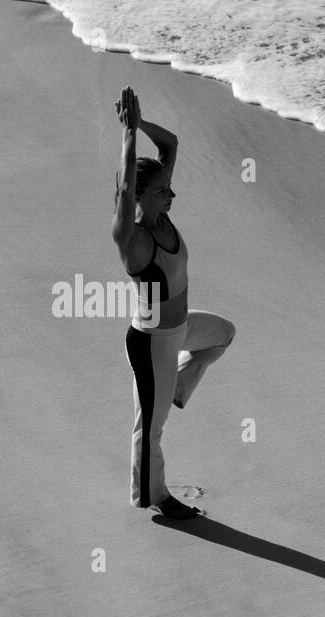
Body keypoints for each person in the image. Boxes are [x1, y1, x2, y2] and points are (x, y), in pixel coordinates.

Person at [112, 86, 235, 519]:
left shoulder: (162, 218)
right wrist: (128, 134)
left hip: (180, 329)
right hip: (152, 343)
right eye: (163, 189)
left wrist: (141, 121)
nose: (172, 194)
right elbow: (126, 183)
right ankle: (156, 498)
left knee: (222, 335)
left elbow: (170, 144)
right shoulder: (133, 240)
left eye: (169, 186)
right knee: (151, 428)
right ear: (138, 197)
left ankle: (181, 385)